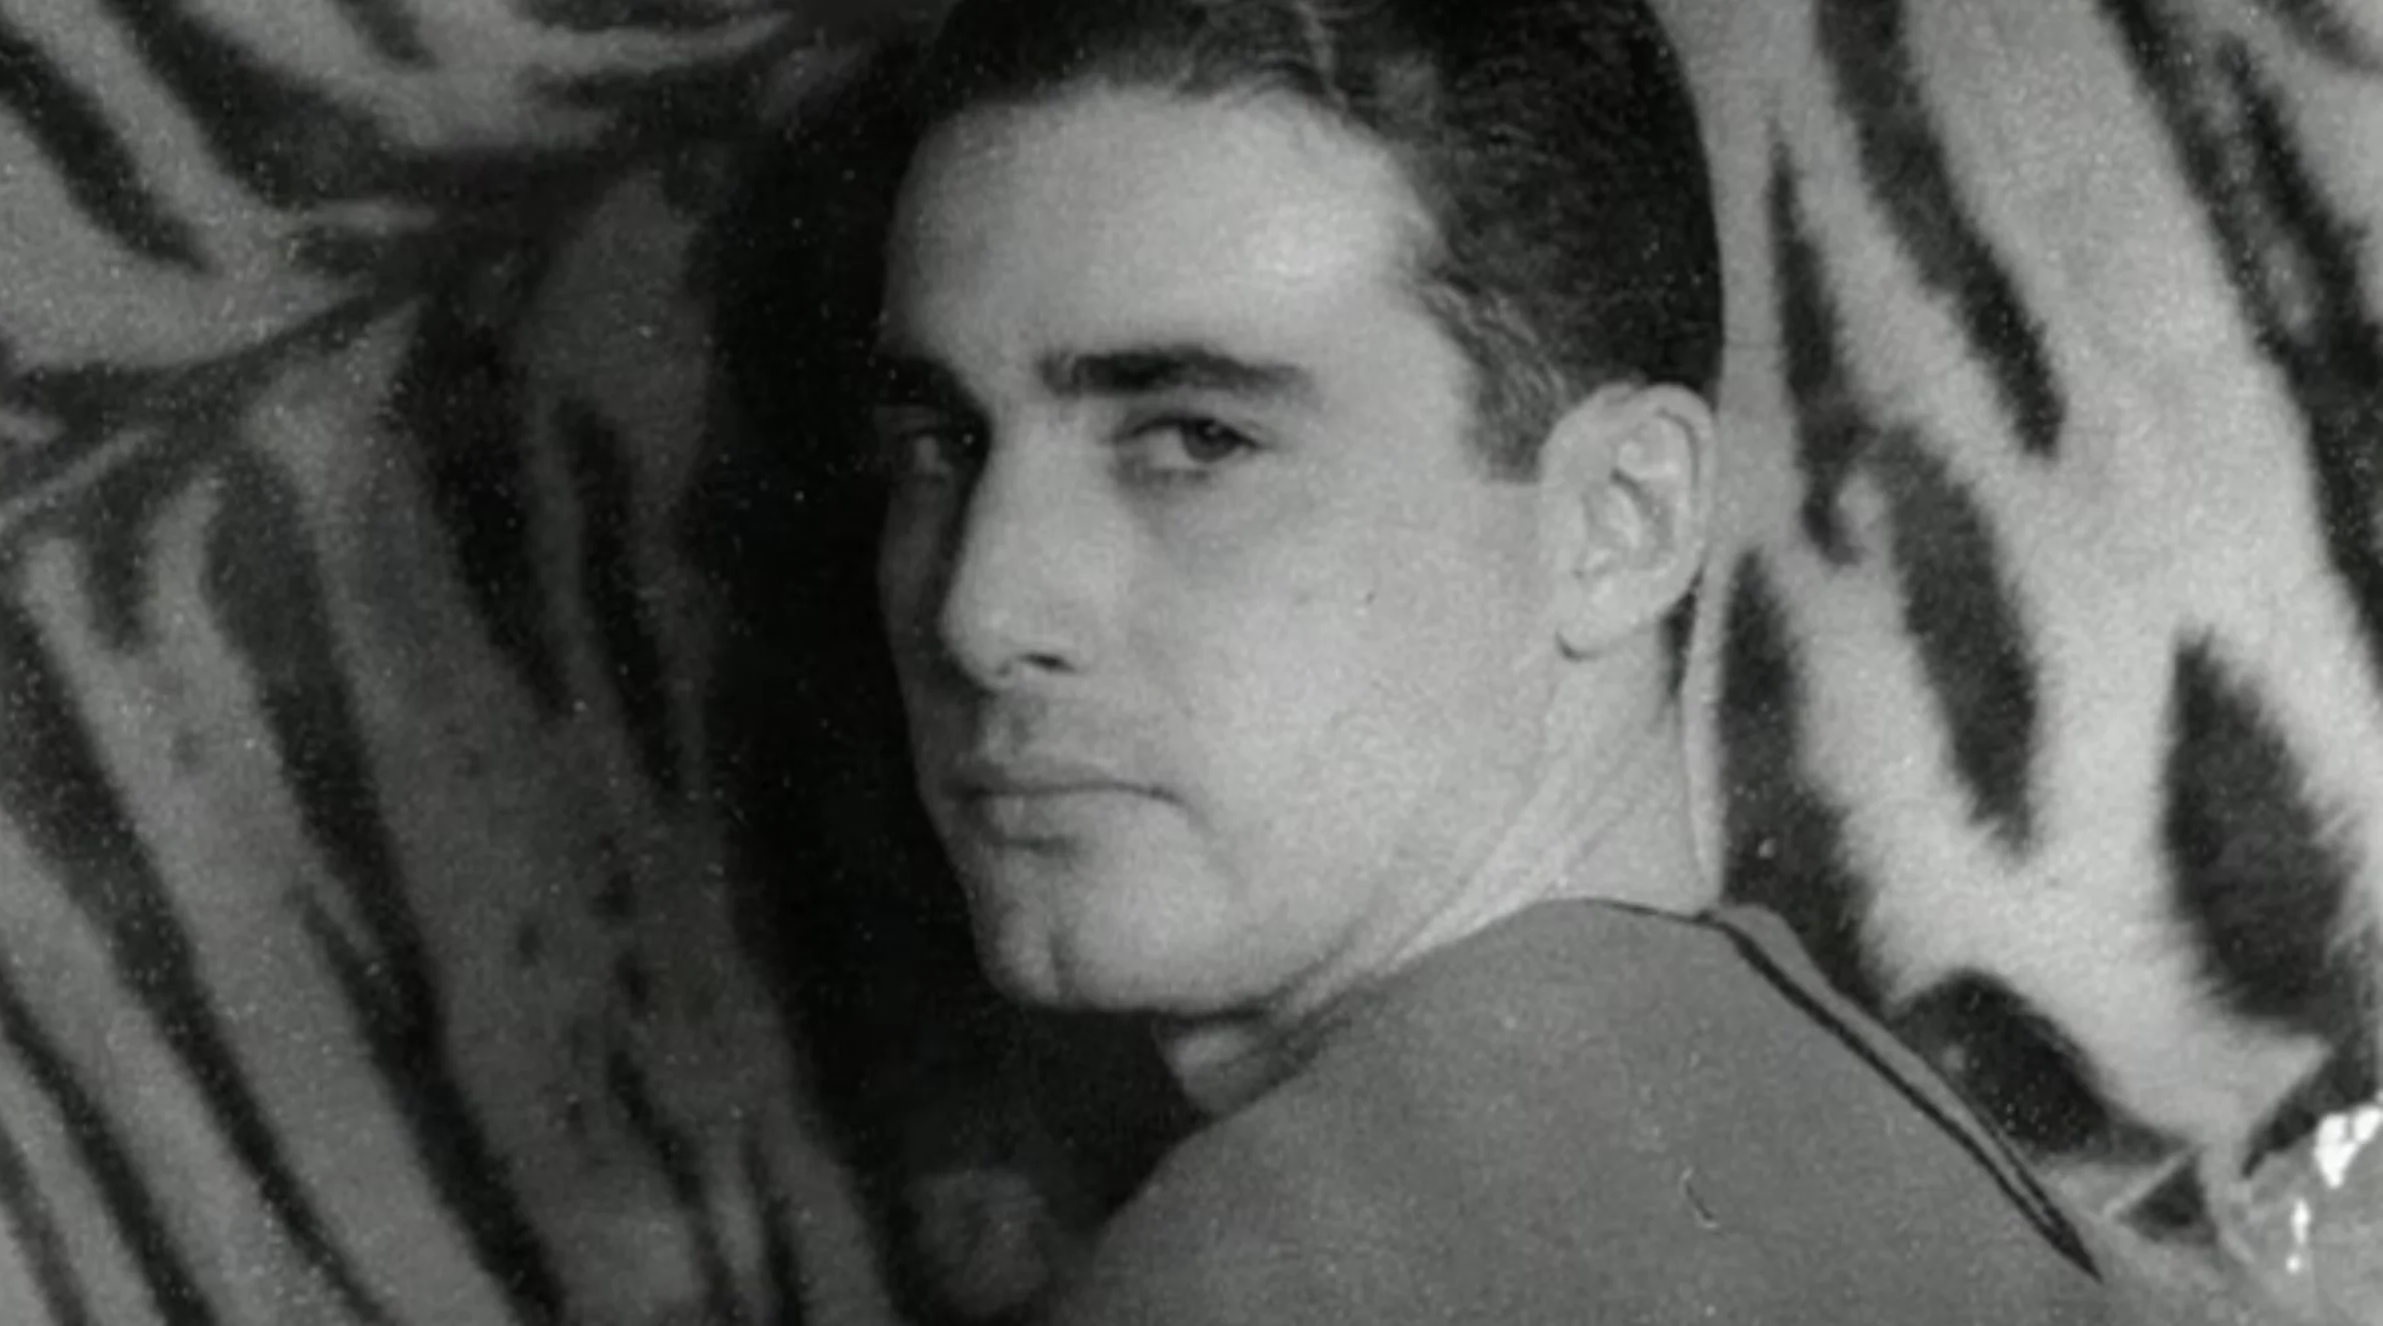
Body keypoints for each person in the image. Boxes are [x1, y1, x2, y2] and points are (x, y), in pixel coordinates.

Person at [851, 0, 2170, 1319]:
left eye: (1197, 440)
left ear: (1620, 519)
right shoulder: (1901, 1169)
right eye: (937, 446)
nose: (979, 609)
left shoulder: (1271, 1275)